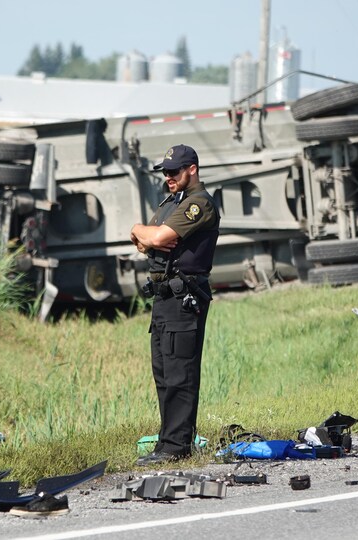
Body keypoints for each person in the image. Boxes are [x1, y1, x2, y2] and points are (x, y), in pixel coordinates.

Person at [129, 144, 220, 465]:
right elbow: (145, 241)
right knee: (164, 371)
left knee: (180, 371)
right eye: (165, 172)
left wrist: (149, 235)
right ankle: (168, 442)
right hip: (164, 295)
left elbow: (153, 239)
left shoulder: (199, 204)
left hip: (185, 297)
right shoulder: (172, 203)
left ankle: (176, 447)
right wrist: (145, 233)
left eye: (174, 171)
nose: (168, 177)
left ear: (192, 169)